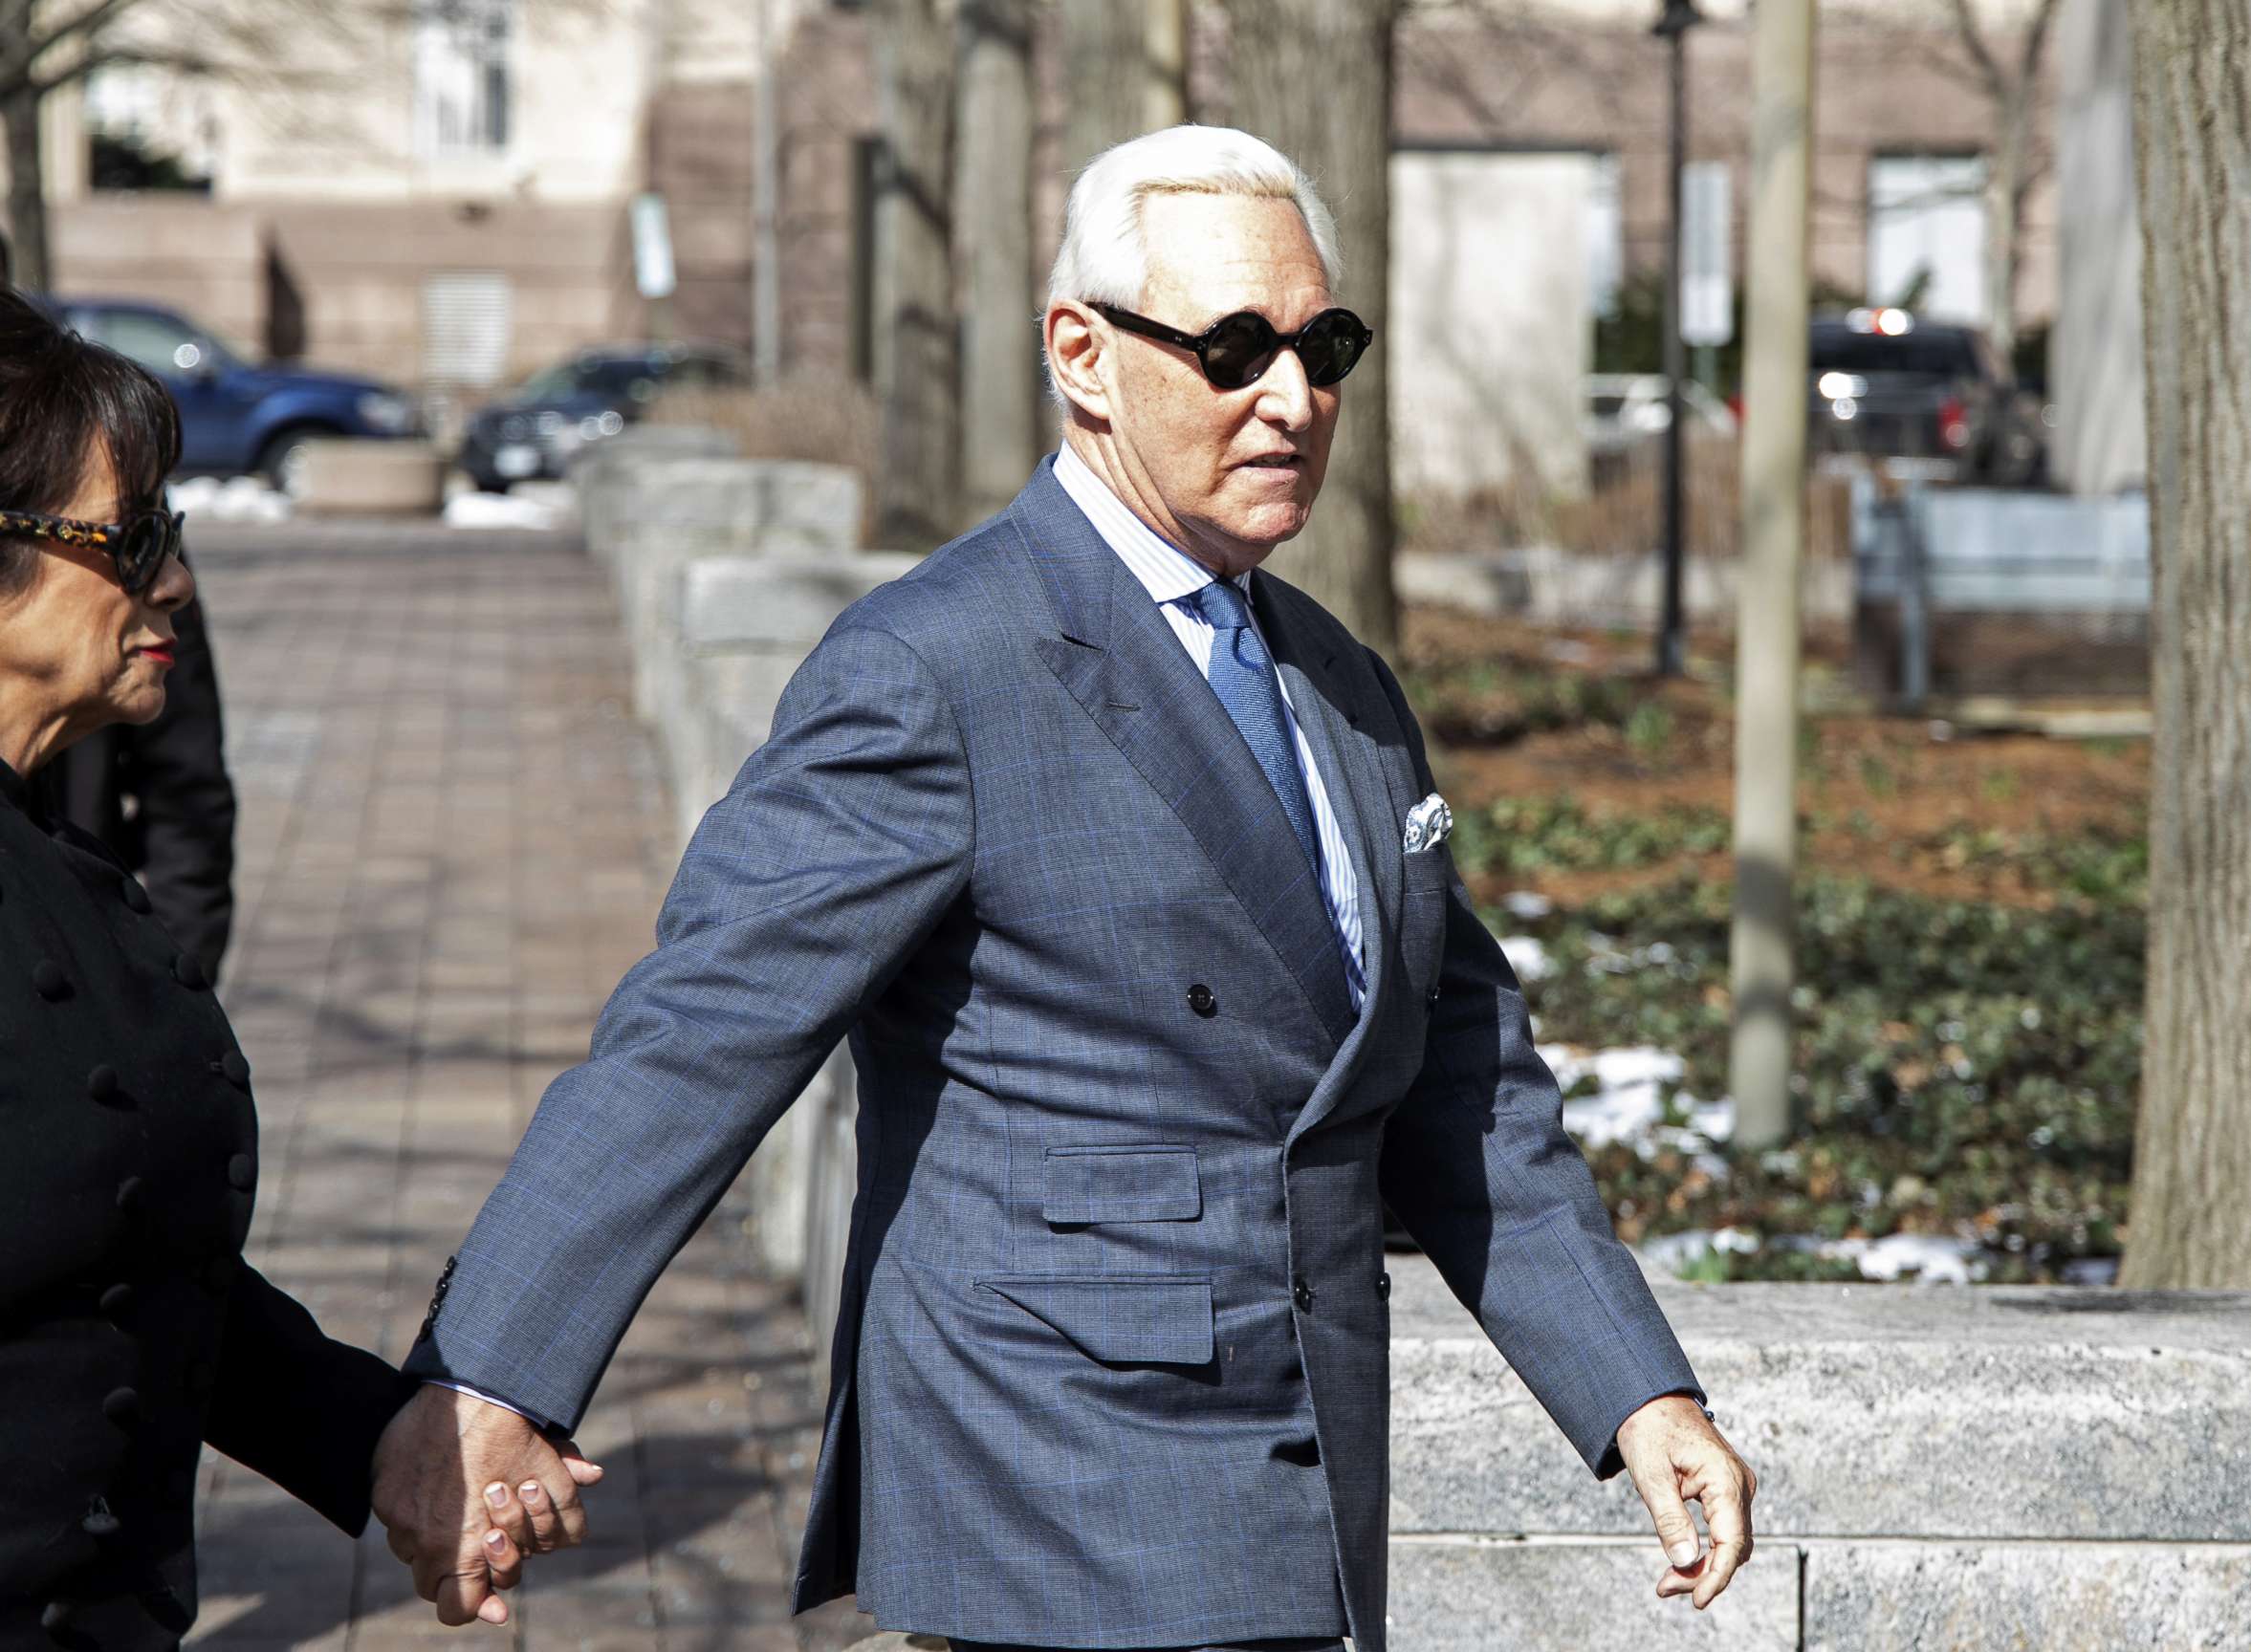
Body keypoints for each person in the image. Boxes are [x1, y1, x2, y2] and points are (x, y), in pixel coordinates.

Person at [374, 125, 1756, 1648]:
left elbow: (1458, 1075)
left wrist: (1636, 1389)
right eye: (1232, 350)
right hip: (1054, 1502)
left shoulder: (1340, 682)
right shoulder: (936, 666)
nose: (1292, 400)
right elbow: (701, 1036)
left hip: (1305, 1496)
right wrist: (487, 1379)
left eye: (1324, 345)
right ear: (1083, 357)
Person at [0, 289, 594, 1647]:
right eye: (132, 538)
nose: (176, 584)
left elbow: (127, 1250)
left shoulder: (62, 866)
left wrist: (383, 1434)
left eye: (179, 533)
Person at [35, 589, 238, 983]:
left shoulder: (145, 581)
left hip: (86, 969)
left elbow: (189, 800)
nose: (174, 581)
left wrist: (169, 989)